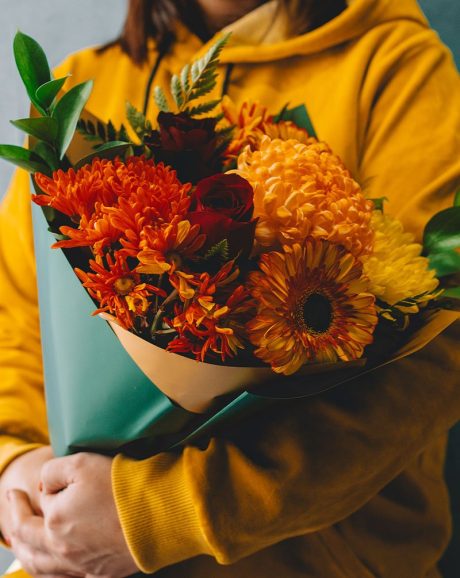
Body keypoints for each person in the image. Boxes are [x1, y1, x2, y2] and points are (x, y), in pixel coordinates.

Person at [0, 0, 459, 576]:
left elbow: (435, 351)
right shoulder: (80, 93)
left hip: (317, 558)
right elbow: (16, 314)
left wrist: (161, 513)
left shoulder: (394, 65)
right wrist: (17, 471)